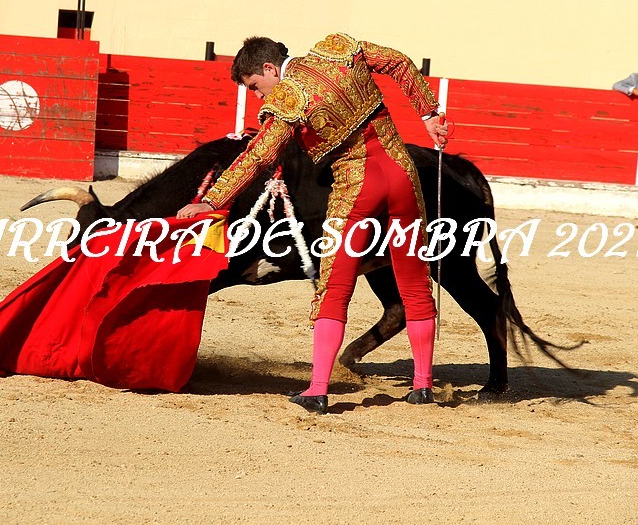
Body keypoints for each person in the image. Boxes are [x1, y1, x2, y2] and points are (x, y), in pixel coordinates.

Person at [177, 33, 449, 414]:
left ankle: (318, 389)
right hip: (403, 173)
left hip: (358, 186)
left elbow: (258, 156)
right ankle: (422, 385)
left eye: (255, 86)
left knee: (334, 287)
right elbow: (398, 61)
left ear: (270, 68)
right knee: (415, 284)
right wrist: (429, 114)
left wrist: (212, 200)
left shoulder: (289, 98)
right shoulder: (337, 49)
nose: (258, 96)